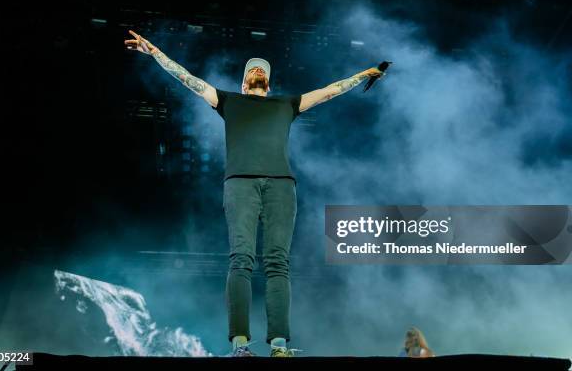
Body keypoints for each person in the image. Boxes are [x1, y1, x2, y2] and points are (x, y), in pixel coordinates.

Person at [124, 30, 384, 357]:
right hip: (240, 183)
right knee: (241, 259)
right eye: (252, 71)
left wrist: (362, 75)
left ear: (268, 85)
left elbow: (329, 92)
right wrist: (156, 54)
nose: (258, 72)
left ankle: (278, 345)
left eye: (262, 71)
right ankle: (240, 345)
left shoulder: (287, 103)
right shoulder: (228, 100)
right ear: (245, 83)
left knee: (278, 262)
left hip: (281, 184)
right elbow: (188, 79)